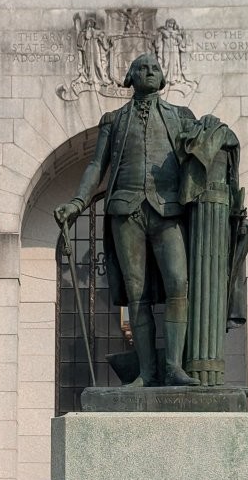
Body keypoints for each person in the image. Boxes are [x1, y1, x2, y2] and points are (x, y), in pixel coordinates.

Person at [54, 53, 199, 387]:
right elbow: (96, 166)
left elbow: (203, 156)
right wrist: (78, 202)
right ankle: (146, 373)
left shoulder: (182, 117)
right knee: (138, 294)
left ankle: (174, 367)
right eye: (142, 68)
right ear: (130, 77)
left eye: (155, 68)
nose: (149, 72)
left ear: (163, 79)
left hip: (169, 209)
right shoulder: (114, 119)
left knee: (179, 284)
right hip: (125, 210)